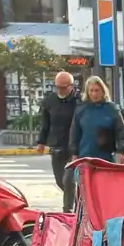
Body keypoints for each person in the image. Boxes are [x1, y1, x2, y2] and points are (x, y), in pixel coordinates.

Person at [69, 76, 124, 208]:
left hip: (105, 155)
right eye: (91, 91)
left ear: (103, 91)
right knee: (85, 190)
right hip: (85, 155)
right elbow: (75, 133)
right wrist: (74, 153)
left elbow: (120, 131)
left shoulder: (111, 109)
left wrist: (121, 150)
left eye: (97, 90)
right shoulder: (82, 109)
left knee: (105, 189)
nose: (94, 94)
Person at [34, 72, 81, 209]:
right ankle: (81, 204)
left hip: (74, 148)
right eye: (57, 87)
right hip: (56, 147)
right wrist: (41, 142)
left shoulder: (79, 102)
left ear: (71, 86)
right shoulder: (50, 101)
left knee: (68, 181)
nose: (60, 90)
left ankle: (68, 212)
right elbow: (45, 124)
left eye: (63, 87)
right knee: (60, 181)